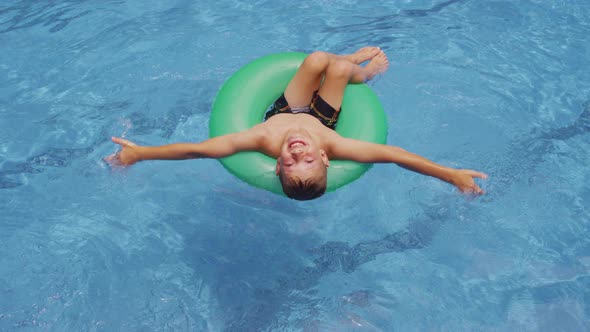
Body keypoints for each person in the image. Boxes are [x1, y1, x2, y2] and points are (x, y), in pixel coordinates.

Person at [106, 47, 487, 200]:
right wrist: (450, 175)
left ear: (277, 163)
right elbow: (395, 155)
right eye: (307, 160)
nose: (298, 153)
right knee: (335, 66)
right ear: (325, 158)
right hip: (324, 119)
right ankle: (362, 73)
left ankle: (355, 68)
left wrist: (141, 153)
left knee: (316, 59)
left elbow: (197, 150)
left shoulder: (262, 137)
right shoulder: (333, 144)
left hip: (286, 111)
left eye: (290, 163)